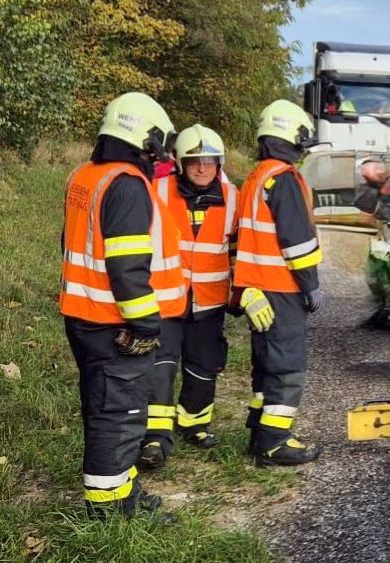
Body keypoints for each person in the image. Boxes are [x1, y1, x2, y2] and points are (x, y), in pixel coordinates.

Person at [59, 92, 185, 517]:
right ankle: (109, 510)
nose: (162, 153)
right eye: (160, 143)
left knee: (104, 406)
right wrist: (147, 325)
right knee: (119, 414)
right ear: (147, 138)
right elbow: (128, 266)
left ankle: (121, 490)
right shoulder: (128, 185)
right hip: (116, 325)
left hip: (83, 316)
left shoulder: (87, 175)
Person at [138, 124, 239, 468]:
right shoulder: (157, 188)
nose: (202, 168)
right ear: (180, 162)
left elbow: (240, 246)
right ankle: (154, 437)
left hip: (209, 302)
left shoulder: (233, 196)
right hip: (165, 299)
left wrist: (242, 291)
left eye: (210, 161)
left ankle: (194, 424)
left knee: (203, 365)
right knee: (161, 365)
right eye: (195, 161)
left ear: (219, 163)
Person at [235, 99, 324, 466]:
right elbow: (298, 243)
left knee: (267, 362)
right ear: (294, 136)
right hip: (281, 287)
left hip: (257, 287)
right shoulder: (284, 179)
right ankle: (274, 443)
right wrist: (311, 285)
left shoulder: (257, 177)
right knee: (288, 367)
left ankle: (260, 431)